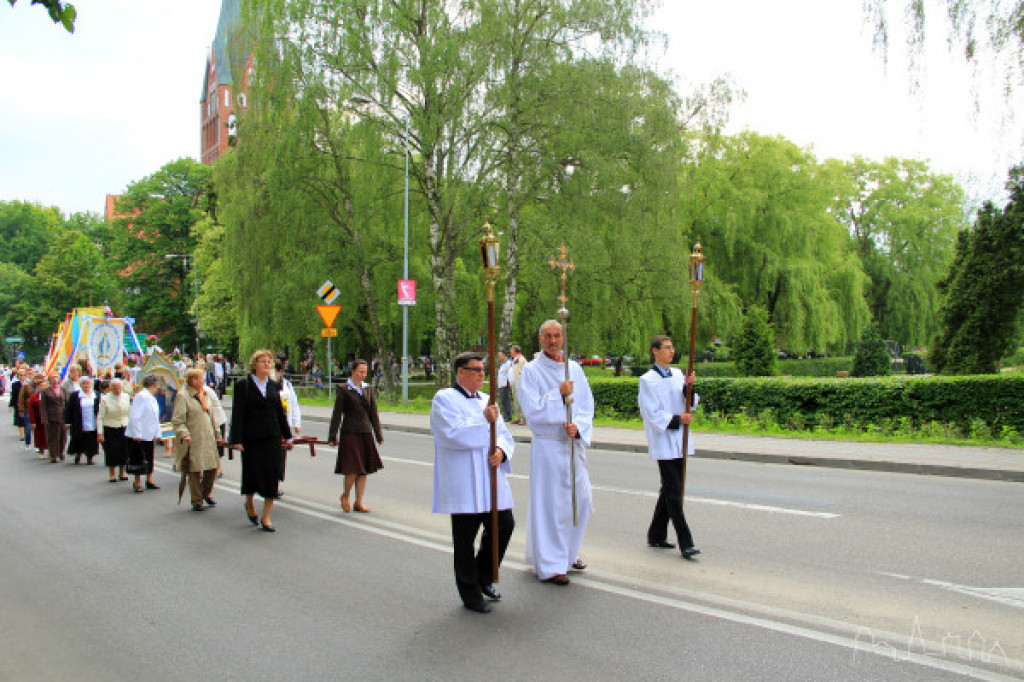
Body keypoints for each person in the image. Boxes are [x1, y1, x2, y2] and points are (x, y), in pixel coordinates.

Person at [430, 352, 515, 614]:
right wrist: (483, 420)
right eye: (476, 369)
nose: (481, 374)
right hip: (464, 480)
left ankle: (484, 576)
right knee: (465, 539)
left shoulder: (486, 401)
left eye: (483, 370)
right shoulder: (444, 399)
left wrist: (501, 450)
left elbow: (502, 433)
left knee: (503, 525)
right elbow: (451, 434)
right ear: (461, 372)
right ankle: (469, 592)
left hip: (490, 477)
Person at [516, 320, 595, 585]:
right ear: (540, 340)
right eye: (548, 336)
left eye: (557, 336)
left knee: (579, 500)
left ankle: (569, 553)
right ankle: (551, 564)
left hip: (571, 443)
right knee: (552, 504)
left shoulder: (574, 369)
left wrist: (579, 426)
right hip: (548, 444)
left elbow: (586, 405)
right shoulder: (531, 371)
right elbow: (532, 411)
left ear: (563, 338)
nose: (553, 340)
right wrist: (558, 395)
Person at [638, 335, 701, 559]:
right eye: (666, 348)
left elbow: (690, 402)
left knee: (670, 488)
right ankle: (686, 541)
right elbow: (651, 413)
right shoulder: (647, 380)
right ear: (655, 351)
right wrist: (676, 420)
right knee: (674, 491)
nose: (671, 351)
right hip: (664, 439)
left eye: (672, 347)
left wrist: (689, 388)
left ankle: (655, 534)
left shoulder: (677, 375)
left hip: (681, 439)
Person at [229, 349, 293, 532]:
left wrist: (287, 436)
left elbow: (280, 414)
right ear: (254, 365)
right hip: (252, 437)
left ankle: (266, 517)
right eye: (263, 361)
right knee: (252, 473)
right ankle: (249, 502)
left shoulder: (274, 386)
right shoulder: (244, 386)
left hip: (271, 436)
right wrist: (237, 439)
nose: (267, 364)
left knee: (271, 474)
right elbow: (238, 413)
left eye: (269, 362)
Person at [327, 359, 383, 513]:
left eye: (365, 372)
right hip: (350, 432)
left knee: (363, 469)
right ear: (352, 371)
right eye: (360, 372)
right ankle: (345, 495)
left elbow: (373, 413)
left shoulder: (368, 389)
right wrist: (332, 436)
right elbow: (337, 414)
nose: (363, 375)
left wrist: (378, 435)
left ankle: (359, 501)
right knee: (352, 468)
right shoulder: (344, 389)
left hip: (365, 432)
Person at [173, 368, 226, 512]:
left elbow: (211, 417)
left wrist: (218, 435)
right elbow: (178, 420)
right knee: (195, 469)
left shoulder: (205, 394)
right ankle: (197, 500)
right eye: (201, 378)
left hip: (208, 438)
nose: (203, 381)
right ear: (192, 380)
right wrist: (184, 434)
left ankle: (205, 493)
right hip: (194, 438)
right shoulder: (183, 396)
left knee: (213, 467)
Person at [126, 375, 163, 493]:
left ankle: (149, 480)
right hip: (141, 433)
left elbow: (155, 417)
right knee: (138, 457)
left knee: (149, 456)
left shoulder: (151, 397)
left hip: (149, 432)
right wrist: (137, 434)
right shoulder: (141, 396)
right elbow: (135, 416)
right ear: (153, 385)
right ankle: (137, 482)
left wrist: (158, 433)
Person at [274, 358, 302, 497]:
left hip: (284, 425)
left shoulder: (288, 386)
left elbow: (294, 404)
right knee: (270, 456)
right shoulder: (266, 385)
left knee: (280, 456)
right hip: (270, 426)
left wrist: (297, 423)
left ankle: (276, 484)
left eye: (275, 371)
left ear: (279, 371)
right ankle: (269, 483)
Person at [98, 378, 132, 483]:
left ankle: (122, 472)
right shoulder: (105, 399)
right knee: (112, 450)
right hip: (110, 427)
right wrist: (100, 433)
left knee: (124, 450)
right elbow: (100, 417)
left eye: (119, 388)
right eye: (115, 388)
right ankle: (112, 473)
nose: (117, 390)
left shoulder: (126, 397)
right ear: (111, 388)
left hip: (124, 426)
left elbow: (129, 413)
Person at [65, 376, 100, 465]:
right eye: (84, 383)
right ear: (80, 385)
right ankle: (78, 455)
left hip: (92, 421)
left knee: (91, 440)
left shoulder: (96, 394)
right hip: (79, 421)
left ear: (91, 384)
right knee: (79, 439)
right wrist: (68, 422)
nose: (86, 385)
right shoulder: (75, 395)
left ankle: (90, 457)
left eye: (88, 383)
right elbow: (69, 409)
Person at [39, 373, 67, 463]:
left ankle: (61, 452)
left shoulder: (63, 389)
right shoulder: (45, 391)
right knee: (53, 437)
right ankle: (53, 455)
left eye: (56, 378)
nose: (55, 380)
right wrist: (44, 418)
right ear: (49, 380)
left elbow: (67, 403)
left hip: (62, 416)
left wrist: (69, 417)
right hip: (51, 417)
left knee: (63, 436)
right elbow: (43, 406)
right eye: (53, 378)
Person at [27, 374, 48, 459]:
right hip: (38, 420)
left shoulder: (49, 395)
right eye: (41, 386)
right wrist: (32, 421)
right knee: (39, 436)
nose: (43, 387)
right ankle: (41, 450)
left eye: (44, 386)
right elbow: (30, 410)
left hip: (48, 419)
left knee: (49, 435)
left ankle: (52, 450)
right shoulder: (34, 396)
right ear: (38, 387)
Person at [509, 345, 527, 425]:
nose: (510, 351)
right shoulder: (514, 359)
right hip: (514, 383)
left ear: (515, 351)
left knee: (521, 401)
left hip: (520, 383)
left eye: (511, 350)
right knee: (516, 401)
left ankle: (523, 418)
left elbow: (525, 371)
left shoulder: (521, 359)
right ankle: (518, 417)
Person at [17, 372, 34, 451]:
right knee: (28, 426)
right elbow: (21, 398)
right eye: (29, 374)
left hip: (37, 409)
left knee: (38, 429)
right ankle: (28, 442)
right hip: (28, 408)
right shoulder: (26, 386)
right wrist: (21, 409)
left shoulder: (40, 386)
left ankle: (38, 445)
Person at [496, 350, 513, 422]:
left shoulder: (508, 363)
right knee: (503, 400)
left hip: (505, 384)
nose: (499, 357)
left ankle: (508, 416)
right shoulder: (503, 363)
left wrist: (509, 381)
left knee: (506, 400)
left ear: (504, 355)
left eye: (500, 355)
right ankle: (506, 415)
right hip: (501, 384)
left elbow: (510, 373)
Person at [9, 366, 25, 439]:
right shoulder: (15, 385)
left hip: (27, 404)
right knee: (20, 419)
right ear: (18, 377)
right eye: (20, 375)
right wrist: (11, 405)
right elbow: (13, 396)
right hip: (18, 404)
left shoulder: (29, 384)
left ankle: (25, 431)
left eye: (24, 375)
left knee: (26, 419)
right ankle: (22, 434)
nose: (22, 377)